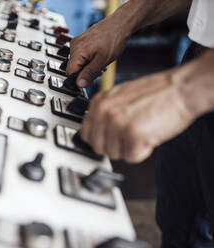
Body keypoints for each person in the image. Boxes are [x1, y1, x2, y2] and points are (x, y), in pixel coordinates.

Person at [66, 0, 214, 247]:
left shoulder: (185, 90)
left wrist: (185, 91)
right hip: (198, 64)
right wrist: (121, 22)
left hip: (198, 83)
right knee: (181, 225)